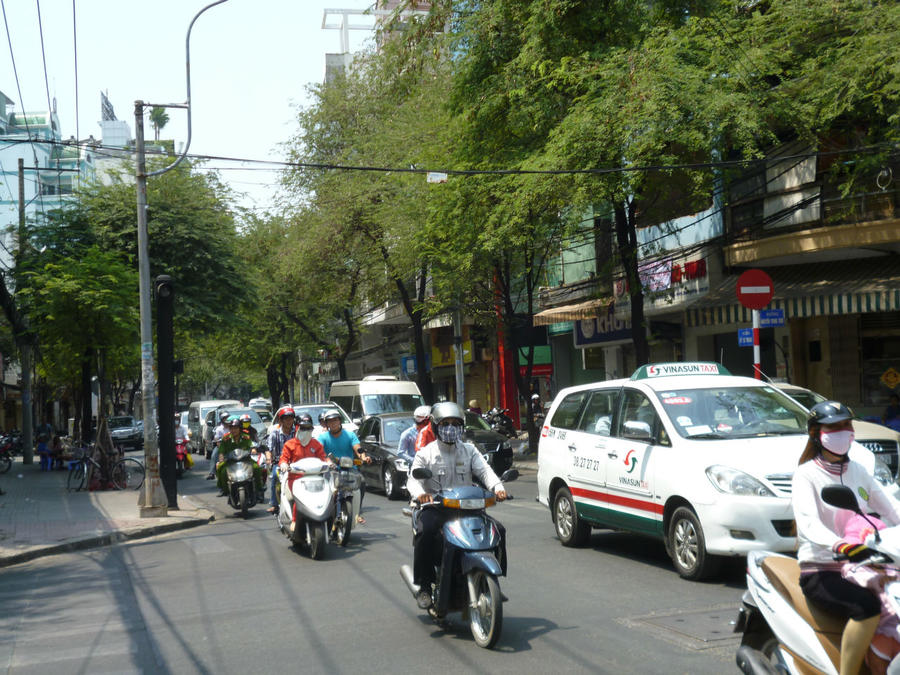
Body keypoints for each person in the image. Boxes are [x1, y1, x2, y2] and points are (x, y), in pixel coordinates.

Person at [793, 400, 900, 675]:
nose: (844, 431)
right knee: (866, 607)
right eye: (834, 426)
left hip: (864, 563)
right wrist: (840, 544)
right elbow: (807, 523)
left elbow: (890, 507)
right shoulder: (806, 475)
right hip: (823, 569)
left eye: (847, 425)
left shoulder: (858, 471)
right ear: (817, 433)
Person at [406, 401, 508, 610]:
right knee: (426, 533)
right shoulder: (426, 453)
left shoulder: (469, 451)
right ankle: (424, 586)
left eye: (455, 423)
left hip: (467, 508)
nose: (451, 428)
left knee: (499, 530)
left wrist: (498, 487)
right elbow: (413, 479)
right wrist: (421, 494)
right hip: (436, 507)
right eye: (445, 423)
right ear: (435, 426)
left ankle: (492, 580)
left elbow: (485, 471)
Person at [317, 409, 371, 524]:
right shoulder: (322, 437)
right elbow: (319, 451)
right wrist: (327, 461)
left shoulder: (350, 435)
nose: (333, 423)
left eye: (335, 420)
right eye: (330, 421)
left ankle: (357, 512)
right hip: (330, 470)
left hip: (349, 469)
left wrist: (363, 457)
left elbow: (357, 448)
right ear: (326, 423)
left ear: (340, 421)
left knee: (361, 482)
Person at [279, 414, 327, 532]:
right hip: (295, 478)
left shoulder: (316, 444)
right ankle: (295, 520)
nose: (305, 431)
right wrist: (284, 464)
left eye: (308, 428)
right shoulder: (289, 444)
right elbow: (283, 459)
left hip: (315, 478)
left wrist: (329, 464)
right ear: (296, 427)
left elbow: (323, 458)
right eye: (303, 428)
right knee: (298, 498)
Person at [216, 416, 264, 498]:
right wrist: (221, 457)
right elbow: (221, 450)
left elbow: (251, 445)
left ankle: (259, 489)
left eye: (235, 428)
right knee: (222, 470)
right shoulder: (226, 438)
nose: (233, 430)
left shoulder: (246, 437)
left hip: (246, 460)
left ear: (240, 428)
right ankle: (224, 490)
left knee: (256, 468)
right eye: (231, 428)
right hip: (230, 461)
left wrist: (253, 450)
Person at [266, 406, 296, 513]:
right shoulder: (274, 433)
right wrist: (269, 459)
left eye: (291, 418)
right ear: (281, 420)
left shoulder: (297, 432)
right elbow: (268, 449)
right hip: (279, 462)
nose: (289, 421)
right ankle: (274, 503)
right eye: (286, 418)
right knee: (274, 476)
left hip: (295, 462)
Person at [206, 411, 231, 480]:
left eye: (228, 418)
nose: (227, 420)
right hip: (222, 446)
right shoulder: (219, 429)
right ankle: (212, 473)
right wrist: (220, 444)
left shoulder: (232, 427)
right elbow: (217, 440)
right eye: (225, 418)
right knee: (214, 455)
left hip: (232, 445)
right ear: (222, 419)